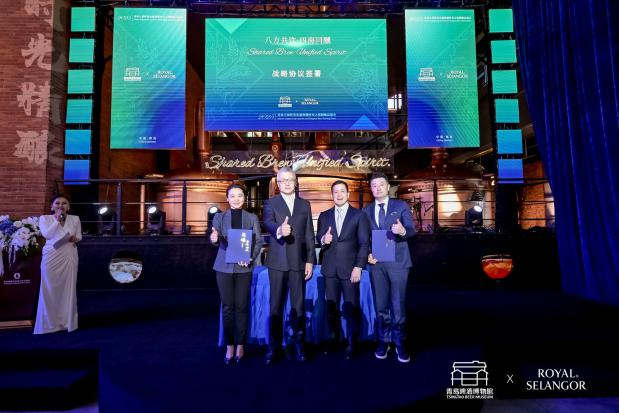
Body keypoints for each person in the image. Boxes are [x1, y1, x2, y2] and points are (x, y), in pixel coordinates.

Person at [262, 167, 315, 363]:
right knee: (275, 306)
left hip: (298, 262)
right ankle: (274, 347)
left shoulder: (304, 204)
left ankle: (299, 344)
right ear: (277, 183)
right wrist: (279, 229)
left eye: (290, 179)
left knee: (298, 306)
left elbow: (309, 234)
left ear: (295, 181)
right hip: (277, 262)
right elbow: (267, 222)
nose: (286, 183)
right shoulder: (271, 203)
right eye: (282, 180)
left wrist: (310, 260)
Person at [363, 172, 416, 363]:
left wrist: (402, 231)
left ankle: (399, 342)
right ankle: (383, 341)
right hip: (377, 264)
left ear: (387, 187)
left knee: (398, 306)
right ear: (371, 189)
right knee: (380, 306)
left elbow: (411, 230)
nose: (377, 188)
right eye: (374, 185)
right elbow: (364, 238)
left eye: (381, 184)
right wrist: (367, 254)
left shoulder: (400, 206)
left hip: (398, 263)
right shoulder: (366, 211)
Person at [210, 184, 263, 364]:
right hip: (223, 267)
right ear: (227, 198)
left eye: (239, 195)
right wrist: (213, 238)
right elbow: (215, 237)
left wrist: (250, 257)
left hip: (244, 268)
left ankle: (241, 344)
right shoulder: (219, 217)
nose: (236, 199)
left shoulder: (251, 217)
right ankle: (229, 345)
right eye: (232, 196)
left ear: (244, 197)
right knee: (227, 307)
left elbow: (258, 241)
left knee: (241, 306)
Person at [316, 180, 369, 359]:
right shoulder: (324, 215)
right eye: (335, 192)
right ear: (332, 195)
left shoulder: (359, 215)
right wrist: (323, 240)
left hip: (350, 270)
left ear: (348, 194)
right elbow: (319, 237)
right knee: (331, 308)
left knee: (352, 308)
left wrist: (359, 267)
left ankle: (352, 343)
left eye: (342, 191)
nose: (339, 194)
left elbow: (364, 244)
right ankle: (334, 339)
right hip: (330, 270)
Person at [34, 194, 82, 334]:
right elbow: (47, 235)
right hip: (51, 255)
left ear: (69, 206)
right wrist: (57, 220)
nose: (61, 205)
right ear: (52, 206)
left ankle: (67, 322)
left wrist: (75, 238)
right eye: (57, 203)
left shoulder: (75, 219)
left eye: (64, 203)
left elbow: (79, 236)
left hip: (69, 254)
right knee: (49, 287)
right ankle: (49, 323)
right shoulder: (45, 218)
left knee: (68, 287)